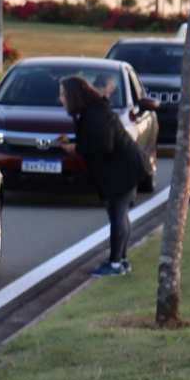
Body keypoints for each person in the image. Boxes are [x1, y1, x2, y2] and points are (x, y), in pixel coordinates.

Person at [57, 75, 145, 277]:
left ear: (74, 96)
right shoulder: (92, 112)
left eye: (63, 95)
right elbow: (96, 138)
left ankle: (115, 264)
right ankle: (120, 260)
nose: (61, 100)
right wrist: (71, 140)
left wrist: (75, 148)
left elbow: (104, 146)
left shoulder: (96, 115)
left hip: (124, 170)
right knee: (118, 213)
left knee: (117, 213)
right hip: (123, 168)